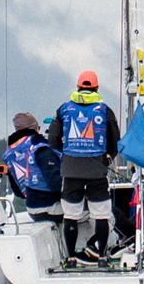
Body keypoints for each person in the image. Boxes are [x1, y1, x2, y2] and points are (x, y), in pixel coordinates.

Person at [48, 70, 121, 258]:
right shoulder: (104, 110)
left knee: (71, 216)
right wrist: (107, 158)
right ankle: (103, 256)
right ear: (96, 87)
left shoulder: (64, 109)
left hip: (71, 172)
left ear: (78, 87)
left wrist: (65, 156)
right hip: (97, 172)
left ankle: (71, 257)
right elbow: (115, 141)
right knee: (101, 216)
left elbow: (53, 138)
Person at [0, 112, 63, 234]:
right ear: (34, 128)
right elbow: (55, 183)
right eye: (38, 128)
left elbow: (19, 191)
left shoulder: (9, 154)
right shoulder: (40, 147)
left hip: (31, 206)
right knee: (82, 210)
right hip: (49, 203)